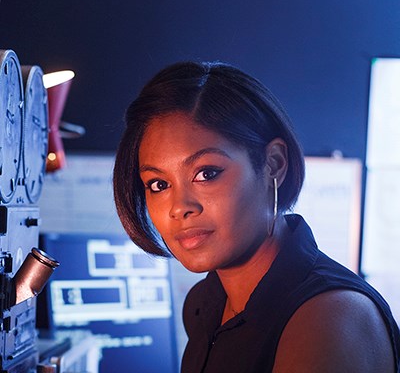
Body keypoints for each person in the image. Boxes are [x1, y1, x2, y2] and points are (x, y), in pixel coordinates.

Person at [113, 61, 400, 372]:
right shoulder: (205, 304)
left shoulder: (328, 316)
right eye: (159, 184)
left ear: (273, 164)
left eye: (206, 173)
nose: (179, 207)